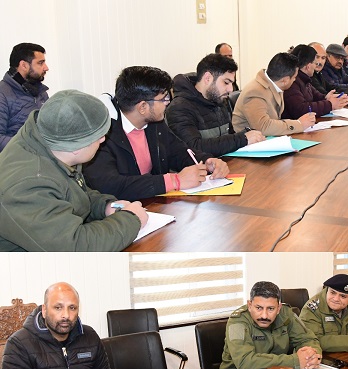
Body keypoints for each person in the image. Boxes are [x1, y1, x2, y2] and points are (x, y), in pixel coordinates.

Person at [0, 90, 145, 251]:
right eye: (98, 136)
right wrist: (131, 219)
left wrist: (105, 206)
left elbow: (73, 191)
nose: (103, 139)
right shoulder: (29, 186)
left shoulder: (49, 144)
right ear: (76, 147)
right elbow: (75, 246)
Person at [83, 66, 229, 201]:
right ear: (143, 107)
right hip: (122, 212)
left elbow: (178, 152)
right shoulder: (102, 135)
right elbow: (111, 186)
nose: (168, 103)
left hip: (155, 204)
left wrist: (207, 162)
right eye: (164, 99)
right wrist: (174, 181)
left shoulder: (154, 123)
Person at [1, 282, 113, 369]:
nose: (66, 315)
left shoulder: (89, 336)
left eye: (72, 308)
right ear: (44, 310)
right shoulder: (18, 343)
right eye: (58, 307)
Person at [167, 54, 264, 157]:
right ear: (208, 78)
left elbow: (230, 137)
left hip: (225, 162)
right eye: (226, 82)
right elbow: (194, 148)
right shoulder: (179, 108)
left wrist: (247, 134)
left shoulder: (218, 101)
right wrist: (242, 139)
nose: (231, 89)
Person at [219, 281, 322, 369]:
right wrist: (295, 361)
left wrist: (312, 356)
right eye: (258, 308)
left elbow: (307, 339)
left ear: (279, 308)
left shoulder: (286, 314)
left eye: (271, 309)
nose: (264, 315)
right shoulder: (237, 322)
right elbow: (244, 361)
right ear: (250, 305)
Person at [232, 52, 315, 136]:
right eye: (294, 77)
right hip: (250, 141)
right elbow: (263, 127)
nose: (294, 80)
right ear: (285, 80)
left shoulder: (275, 85)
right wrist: (299, 124)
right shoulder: (255, 92)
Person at [1, 43, 49, 152]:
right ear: (24, 65)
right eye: (40, 63)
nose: (46, 68)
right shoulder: (2, 94)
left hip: (44, 155)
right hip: (18, 157)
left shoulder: (41, 92)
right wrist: (32, 147)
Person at [284, 44, 348, 118]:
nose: (316, 65)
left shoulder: (305, 80)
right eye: (315, 63)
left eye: (323, 58)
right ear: (308, 66)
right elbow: (300, 109)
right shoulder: (293, 81)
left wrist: (327, 98)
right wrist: (329, 104)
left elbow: (317, 96)